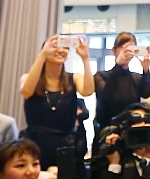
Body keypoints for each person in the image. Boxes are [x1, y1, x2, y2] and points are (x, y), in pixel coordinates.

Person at [20, 36, 95, 170]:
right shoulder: (28, 78)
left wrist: (85, 58)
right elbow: (26, 91)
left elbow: (88, 91)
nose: (61, 50)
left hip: (66, 145)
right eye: (55, 46)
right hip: (36, 144)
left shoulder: (74, 78)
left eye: (65, 48)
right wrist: (42, 55)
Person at [93, 32, 150, 133]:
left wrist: (146, 70)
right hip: (107, 130)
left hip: (131, 130)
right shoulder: (101, 75)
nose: (126, 51)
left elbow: (146, 93)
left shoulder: (136, 77)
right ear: (113, 50)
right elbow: (106, 96)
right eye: (122, 47)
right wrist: (118, 64)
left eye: (130, 48)